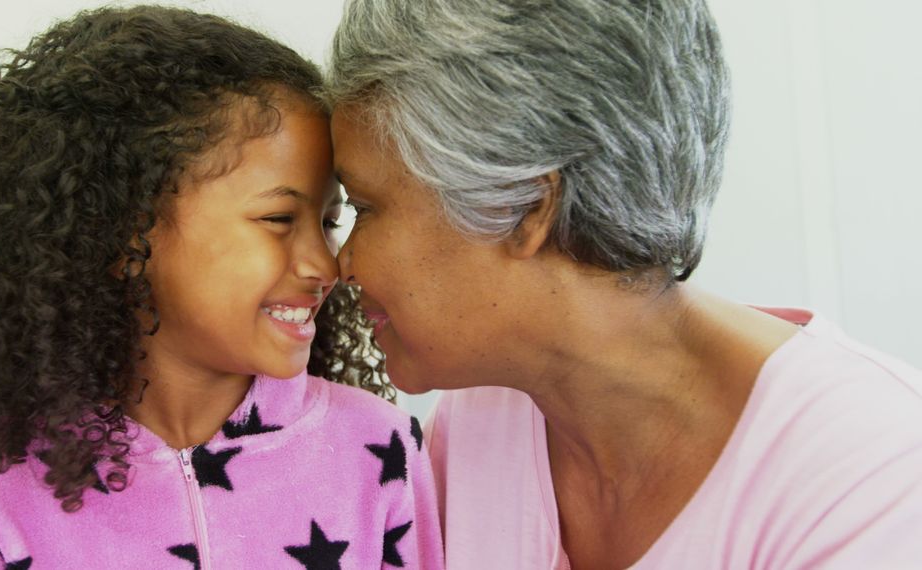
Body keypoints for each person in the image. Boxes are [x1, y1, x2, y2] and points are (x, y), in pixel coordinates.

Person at [326, 0, 922, 568]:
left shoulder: (874, 475)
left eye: (364, 207)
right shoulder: (479, 420)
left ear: (527, 205)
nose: (340, 262)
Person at [0, 6, 442, 568]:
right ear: (124, 238)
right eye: (279, 220)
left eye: (329, 222)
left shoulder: (378, 449)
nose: (325, 265)